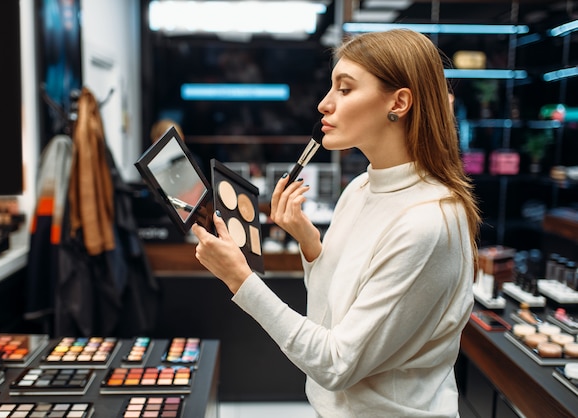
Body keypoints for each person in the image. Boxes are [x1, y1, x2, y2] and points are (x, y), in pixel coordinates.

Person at [192, 29, 481, 417]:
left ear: (399, 102)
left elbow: (336, 363)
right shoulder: (361, 188)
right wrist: (311, 244)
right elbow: (334, 312)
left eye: (344, 90)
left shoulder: (428, 222)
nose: (324, 104)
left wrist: (241, 281)